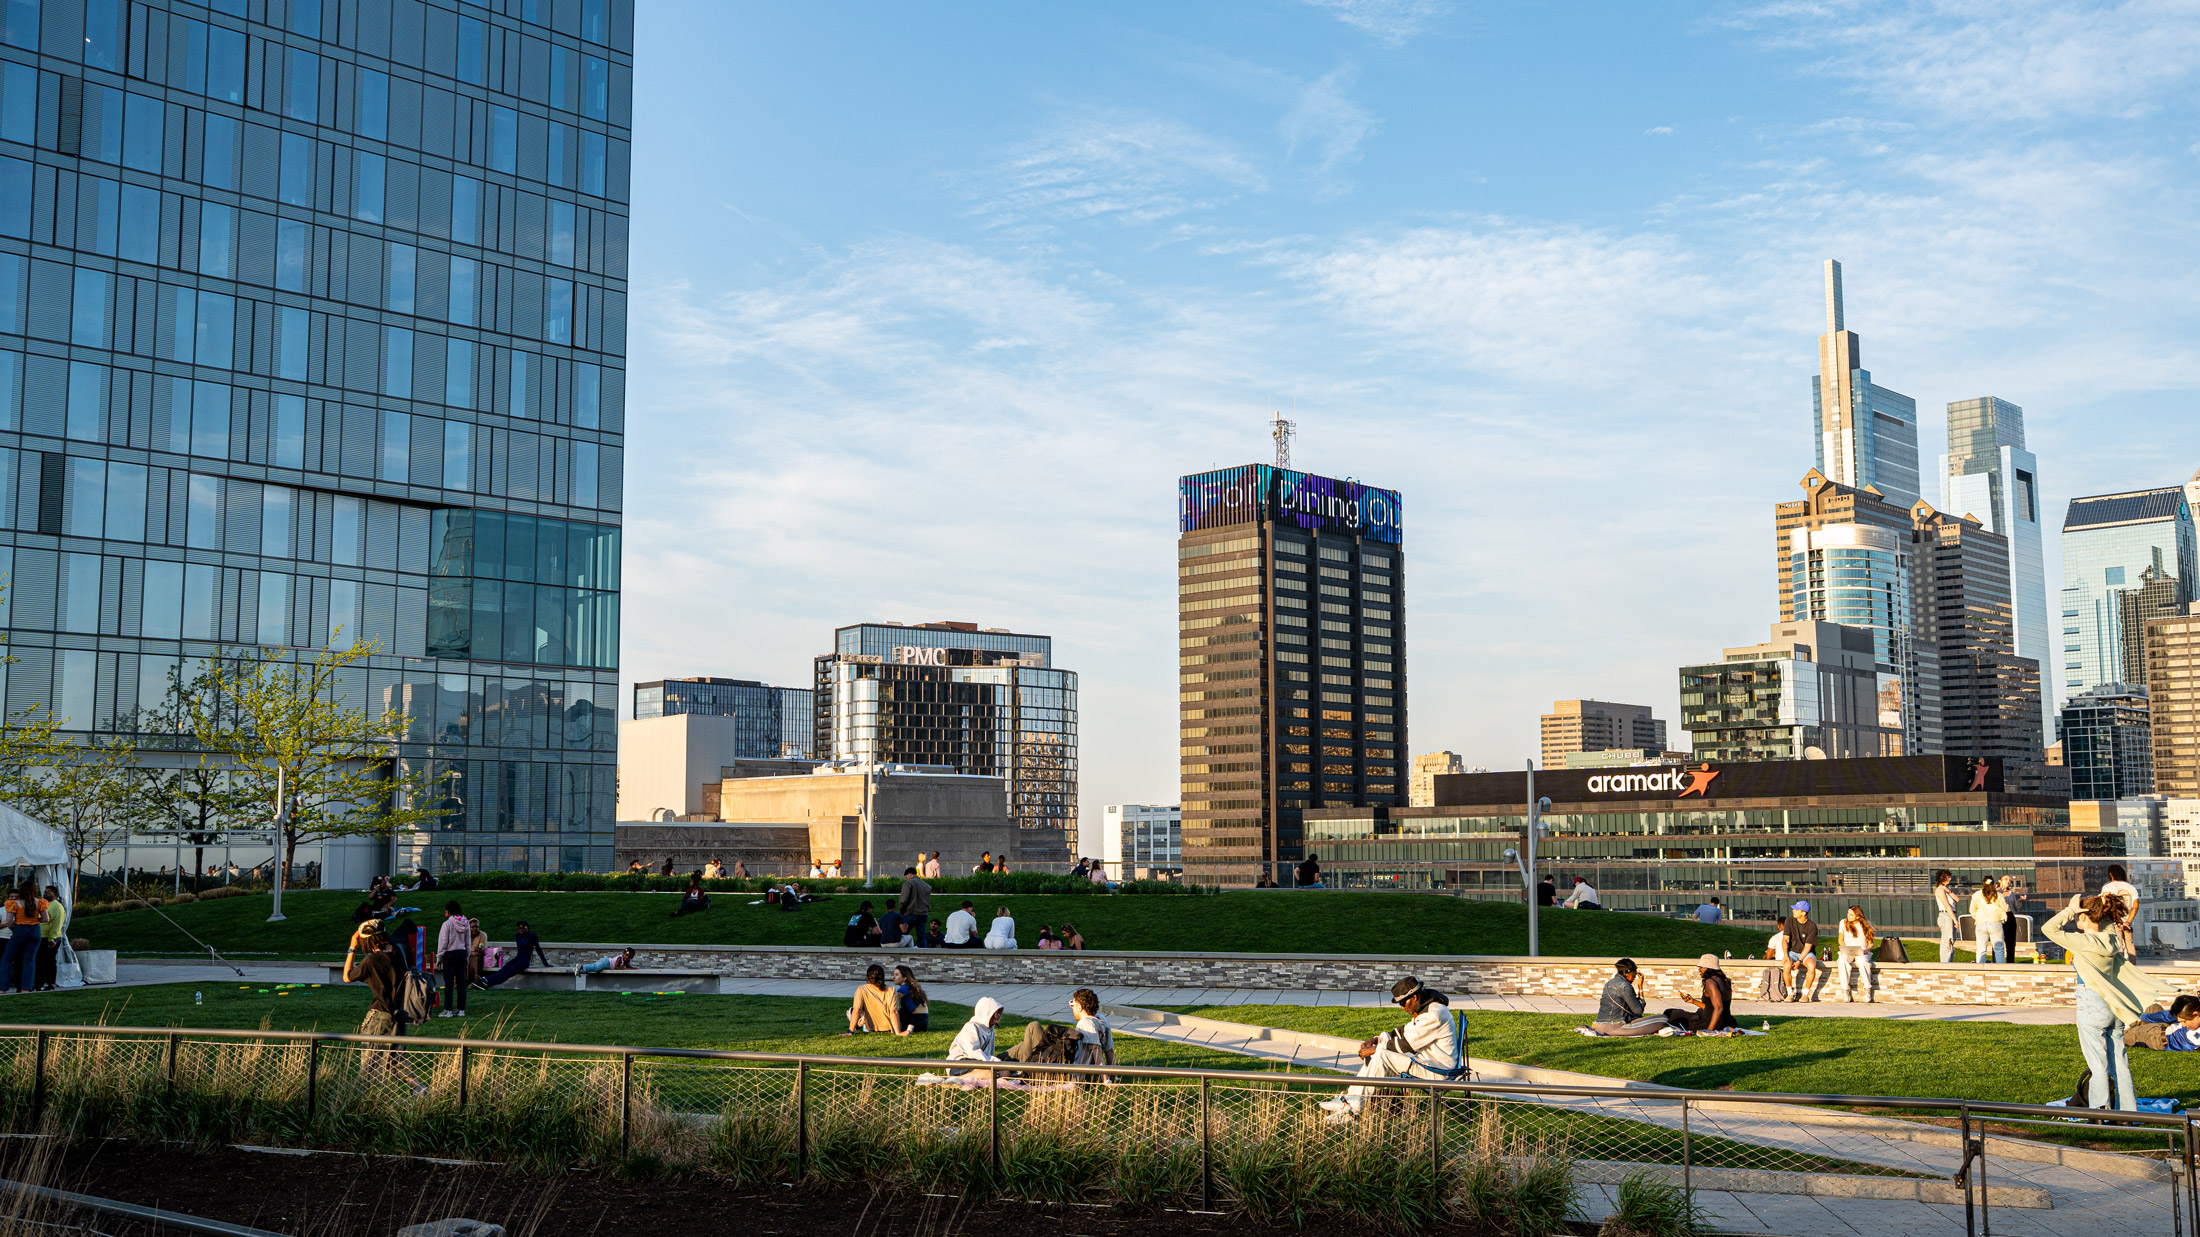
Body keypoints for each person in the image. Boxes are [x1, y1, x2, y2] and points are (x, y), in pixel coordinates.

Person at [2041, 892, 2169, 1112]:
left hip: (2091, 1003)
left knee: (2097, 1062)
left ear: (2084, 917)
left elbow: (2048, 929)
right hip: (2113, 1005)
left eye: (2078, 917)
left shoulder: (2083, 941)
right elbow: (2108, 923)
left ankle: (2100, 1109)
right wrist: (2103, 904)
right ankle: (2128, 1112)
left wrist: (2071, 909)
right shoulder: (2110, 939)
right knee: (2119, 1060)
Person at [1318, 977, 1455, 1123]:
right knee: (1379, 1054)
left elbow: (1404, 1046)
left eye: (1403, 1003)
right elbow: (1403, 1032)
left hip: (1438, 1071)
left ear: (1414, 997)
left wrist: (1375, 1049)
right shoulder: (1426, 1009)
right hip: (1427, 1063)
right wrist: (1377, 1039)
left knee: (1381, 1055)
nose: (1402, 1007)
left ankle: (1351, 1109)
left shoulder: (1433, 1015)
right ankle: (1347, 1101)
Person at [343, 921, 416, 1085]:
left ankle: (364, 1097)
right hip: (400, 1014)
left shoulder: (371, 961)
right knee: (397, 1060)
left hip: (379, 1016)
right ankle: (418, 1088)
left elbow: (347, 976)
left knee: (370, 1063)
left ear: (366, 941)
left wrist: (352, 947)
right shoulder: (400, 950)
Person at [1591, 958, 1668, 1037]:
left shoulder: (1609, 983)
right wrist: (1640, 988)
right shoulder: (1625, 986)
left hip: (1599, 1026)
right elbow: (1638, 1010)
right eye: (1634, 973)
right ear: (1627, 973)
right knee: (1663, 1019)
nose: (1635, 976)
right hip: (1614, 1028)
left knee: (1638, 1018)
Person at [1663, 955, 1736, 1033]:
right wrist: (1693, 1001)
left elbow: (1718, 1008)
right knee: (1698, 1010)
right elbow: (1711, 1007)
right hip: (1726, 1022)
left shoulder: (1710, 982)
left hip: (1709, 1023)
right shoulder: (1724, 981)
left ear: (1707, 968)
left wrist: (1709, 1031)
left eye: (1701, 967)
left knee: (1669, 1013)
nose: (1699, 969)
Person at [0, 883, 44, 994]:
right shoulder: (40, 902)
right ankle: (26, 988)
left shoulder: (14, 903)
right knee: (30, 960)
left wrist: (13, 928)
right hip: (35, 930)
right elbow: (46, 918)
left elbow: (9, 921)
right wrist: (35, 921)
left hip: (19, 929)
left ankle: (2, 989)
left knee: (6, 959)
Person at [946, 996, 1004, 1075]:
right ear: (985, 1013)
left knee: (1003, 1072)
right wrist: (992, 1062)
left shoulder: (990, 1029)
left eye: (998, 1012)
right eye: (994, 1013)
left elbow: (989, 1053)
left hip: (980, 1062)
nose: (997, 1016)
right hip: (960, 1063)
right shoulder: (971, 1027)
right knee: (991, 1073)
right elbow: (973, 1051)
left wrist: (993, 1062)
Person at [483, 920, 551, 987]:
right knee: (502, 970)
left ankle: (487, 985)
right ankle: (485, 980)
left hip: (524, 961)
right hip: (517, 958)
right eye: (519, 928)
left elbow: (538, 949)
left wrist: (545, 963)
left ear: (527, 927)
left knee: (507, 974)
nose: (520, 929)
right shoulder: (517, 935)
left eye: (522, 928)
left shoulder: (533, 936)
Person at [1776, 901, 1821, 1001]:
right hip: (1792, 951)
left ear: (1804, 913)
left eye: (1796, 909)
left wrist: (1799, 961)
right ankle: (1790, 994)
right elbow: (1785, 939)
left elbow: (1808, 947)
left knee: (1812, 966)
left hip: (1806, 953)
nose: (1793, 911)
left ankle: (1805, 994)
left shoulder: (1812, 926)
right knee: (1787, 966)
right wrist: (1786, 955)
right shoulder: (1789, 921)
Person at [843, 963, 902, 1035]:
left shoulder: (861, 989)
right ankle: (860, 1021)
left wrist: (850, 1032)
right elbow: (894, 1012)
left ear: (868, 977)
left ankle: (859, 1023)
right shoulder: (891, 989)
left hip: (871, 1028)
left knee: (863, 1019)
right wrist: (898, 1032)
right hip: (889, 1028)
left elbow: (856, 1010)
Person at [436, 901, 471, 1017]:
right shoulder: (466, 923)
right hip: (462, 953)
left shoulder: (447, 924)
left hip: (450, 954)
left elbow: (443, 942)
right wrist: (467, 955)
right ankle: (461, 1009)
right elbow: (468, 942)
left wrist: (439, 957)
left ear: (448, 911)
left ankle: (448, 1010)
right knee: (461, 982)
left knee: (449, 982)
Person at [1835, 905, 1876, 1003]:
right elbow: (1840, 940)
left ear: (1858, 916)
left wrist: (1866, 950)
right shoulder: (1843, 923)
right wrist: (1844, 947)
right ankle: (1845, 989)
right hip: (1847, 950)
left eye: (1851, 914)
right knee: (1842, 961)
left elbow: (1871, 944)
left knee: (1863, 962)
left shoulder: (1866, 925)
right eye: (1848, 913)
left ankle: (1867, 988)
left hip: (1862, 951)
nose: (1848, 916)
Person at [1070, 987, 1115, 1070]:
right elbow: (1109, 1051)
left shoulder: (1085, 1023)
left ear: (1080, 1007)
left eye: (1072, 1005)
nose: (1072, 1008)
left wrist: (1106, 1080)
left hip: (1075, 1073)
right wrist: (1114, 1075)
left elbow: (1097, 1052)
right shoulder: (1101, 1019)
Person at [2102, 865, 2141, 957]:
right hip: (2128, 923)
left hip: (2114, 922)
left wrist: (2117, 921)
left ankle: (2121, 968)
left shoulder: (2107, 887)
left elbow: (2105, 905)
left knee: (2118, 945)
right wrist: (2127, 922)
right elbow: (2135, 907)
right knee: (2130, 945)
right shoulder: (2131, 888)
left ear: (2111, 875)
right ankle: (2133, 966)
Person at [1970, 878, 2009, 965]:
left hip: (1981, 923)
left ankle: (1980, 969)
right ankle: (2000, 969)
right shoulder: (1998, 895)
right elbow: (2005, 908)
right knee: (1999, 948)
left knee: (1981, 948)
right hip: (1995, 922)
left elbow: (1972, 909)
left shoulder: (1976, 895)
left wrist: (1977, 917)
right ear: (1994, 884)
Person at [34, 885, 65, 991]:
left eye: (49, 892)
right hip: (39, 936)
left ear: (55, 895)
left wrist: (52, 938)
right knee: (39, 961)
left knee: (49, 961)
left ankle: (51, 983)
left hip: (49, 938)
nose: (46, 893)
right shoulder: (43, 905)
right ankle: (38, 983)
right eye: (45, 891)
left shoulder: (57, 906)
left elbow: (57, 923)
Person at [898, 866, 932, 948]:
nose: (907, 879)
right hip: (923, 914)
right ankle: (923, 954)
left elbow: (903, 900)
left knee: (901, 933)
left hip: (911, 913)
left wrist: (901, 913)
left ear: (910, 875)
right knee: (921, 937)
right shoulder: (926, 886)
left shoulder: (909, 883)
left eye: (906, 877)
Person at [1933, 869, 1961, 962]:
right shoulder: (1940, 890)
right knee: (1947, 940)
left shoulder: (1945, 890)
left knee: (1951, 940)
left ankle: (1949, 961)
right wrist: (1955, 921)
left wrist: (1948, 890)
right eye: (1948, 877)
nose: (1950, 879)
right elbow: (1947, 905)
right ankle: (1945, 963)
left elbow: (1957, 899)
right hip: (1946, 915)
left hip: (1950, 915)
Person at [892, 965, 929, 1034]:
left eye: (896, 975)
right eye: (893, 975)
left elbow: (891, 1000)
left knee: (893, 1012)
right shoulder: (911, 987)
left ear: (904, 978)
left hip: (915, 1021)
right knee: (899, 1010)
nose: (893, 977)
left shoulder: (905, 988)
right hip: (923, 1022)